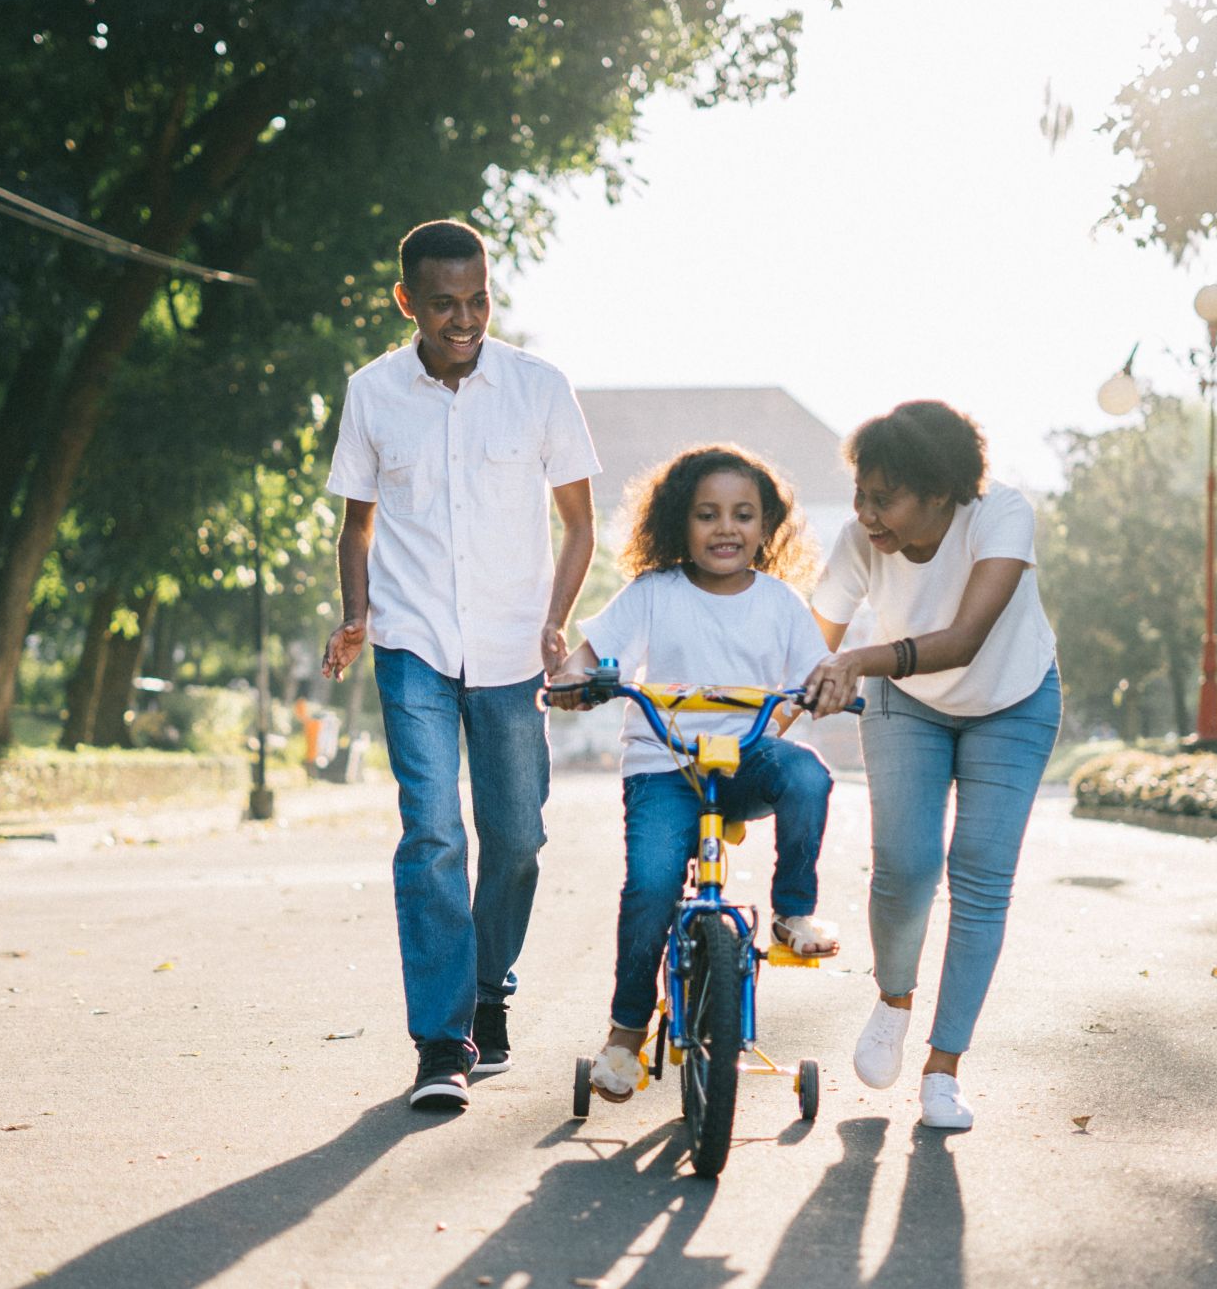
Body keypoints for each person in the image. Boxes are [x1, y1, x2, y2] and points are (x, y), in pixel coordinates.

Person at [322, 219, 600, 1111]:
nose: (465, 318)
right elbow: (357, 523)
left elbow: (580, 522)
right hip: (412, 645)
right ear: (407, 301)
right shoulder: (372, 393)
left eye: (478, 299)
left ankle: (490, 991)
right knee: (434, 833)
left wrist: (557, 621)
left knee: (517, 838)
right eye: (444, 304)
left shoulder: (539, 387)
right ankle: (442, 1042)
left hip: (515, 647)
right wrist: (356, 616)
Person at [802, 400, 1061, 1131]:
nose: (865, 513)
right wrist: (769, 714)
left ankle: (944, 1068)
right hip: (907, 705)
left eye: (884, 498)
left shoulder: (1000, 516)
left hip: (1012, 700)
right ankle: (893, 999)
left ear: (941, 493)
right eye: (860, 493)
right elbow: (808, 644)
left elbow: (967, 637)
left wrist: (857, 659)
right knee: (906, 865)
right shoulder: (860, 541)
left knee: (980, 874)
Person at [550, 444, 837, 1103]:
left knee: (810, 777)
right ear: (681, 522)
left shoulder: (781, 603)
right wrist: (574, 678)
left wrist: (824, 689)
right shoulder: (654, 593)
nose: (726, 528)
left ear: (766, 528)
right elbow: (591, 654)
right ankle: (625, 1035)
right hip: (664, 767)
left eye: (743, 514)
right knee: (651, 885)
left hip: (744, 760)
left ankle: (793, 912)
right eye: (707, 514)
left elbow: (814, 674)